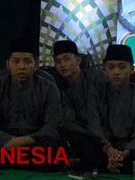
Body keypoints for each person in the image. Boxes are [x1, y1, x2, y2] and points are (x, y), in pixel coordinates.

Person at [0, 39, 64, 170]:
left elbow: (54, 125)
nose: (22, 66)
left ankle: (7, 161)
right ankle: (24, 162)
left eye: (27, 61)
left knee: (54, 148)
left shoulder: (48, 87)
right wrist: (8, 140)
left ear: (36, 65)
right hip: (4, 143)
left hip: (34, 142)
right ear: (8, 65)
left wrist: (25, 140)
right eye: (16, 61)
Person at [87, 44, 135, 175]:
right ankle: (116, 165)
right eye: (111, 67)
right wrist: (108, 149)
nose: (116, 72)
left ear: (132, 69)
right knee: (85, 148)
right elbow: (93, 127)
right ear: (105, 69)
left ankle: (111, 165)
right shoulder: (96, 93)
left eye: (122, 67)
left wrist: (126, 151)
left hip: (130, 150)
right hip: (103, 148)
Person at [39, 40, 108, 169]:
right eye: (58, 62)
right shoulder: (55, 86)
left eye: (66, 59)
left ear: (78, 60)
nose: (62, 65)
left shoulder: (98, 78)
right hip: (77, 136)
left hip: (103, 132)